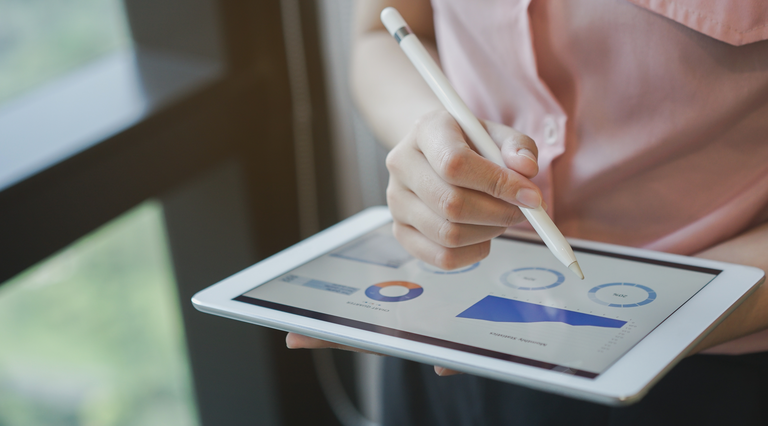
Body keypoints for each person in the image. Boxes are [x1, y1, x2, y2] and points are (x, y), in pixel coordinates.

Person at [287, 0, 768, 424]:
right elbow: (384, 31)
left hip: (702, 363)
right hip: (450, 315)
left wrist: (651, 314)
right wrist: (435, 145)